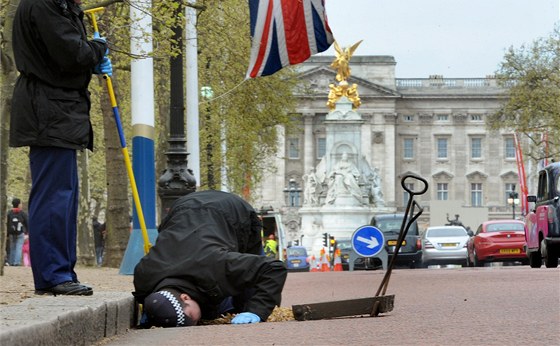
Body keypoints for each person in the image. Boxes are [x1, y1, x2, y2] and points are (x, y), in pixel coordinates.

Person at [10, 0, 112, 295]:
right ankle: (54, 275)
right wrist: (97, 49)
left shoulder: (57, 4)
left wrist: (91, 54)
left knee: (63, 196)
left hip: (58, 111)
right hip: (51, 112)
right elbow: (72, 54)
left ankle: (61, 272)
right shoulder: (46, 4)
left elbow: (63, 57)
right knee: (55, 197)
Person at [133, 190, 287, 327]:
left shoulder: (217, 264)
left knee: (246, 296)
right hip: (181, 211)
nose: (195, 322)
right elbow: (148, 298)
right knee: (211, 304)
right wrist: (154, 312)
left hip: (233, 211)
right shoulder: (144, 276)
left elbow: (273, 268)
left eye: (192, 318)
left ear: (185, 297)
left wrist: (257, 311)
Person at [6, 198, 28, 266]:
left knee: (12, 247)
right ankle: (17, 263)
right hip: (20, 233)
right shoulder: (22, 213)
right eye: (20, 203)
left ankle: (11, 262)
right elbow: (27, 223)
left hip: (11, 233)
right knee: (18, 247)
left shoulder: (9, 213)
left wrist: (7, 234)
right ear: (18, 204)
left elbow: (7, 223)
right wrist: (27, 232)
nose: (21, 205)